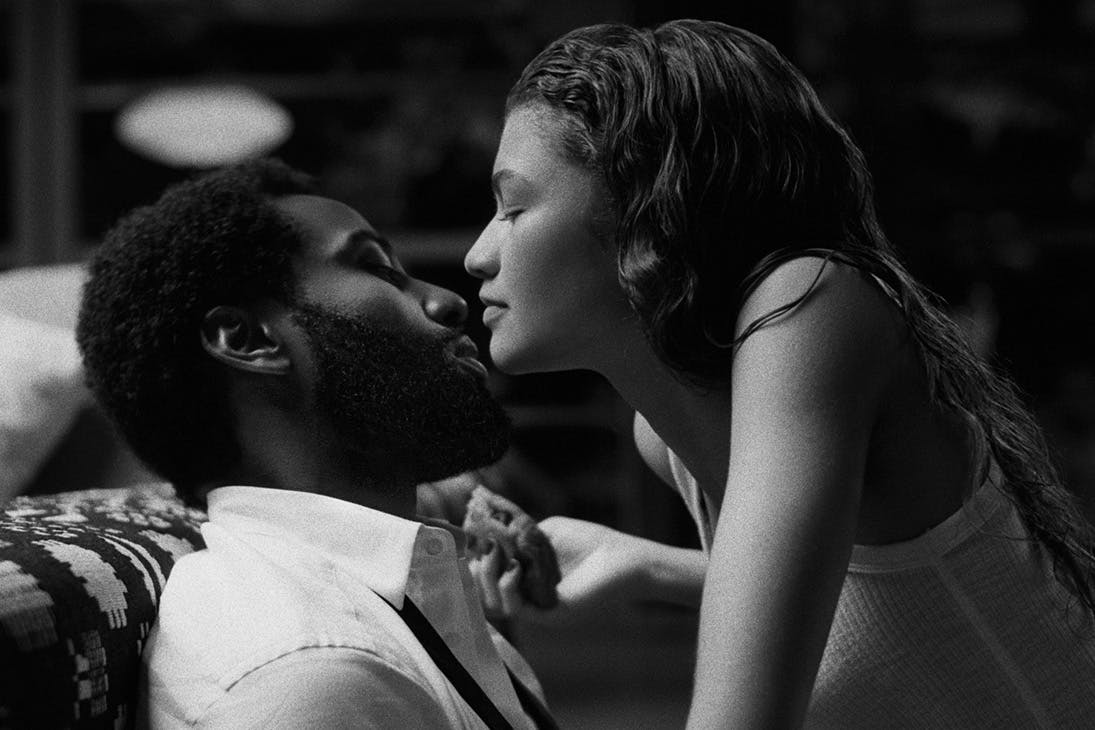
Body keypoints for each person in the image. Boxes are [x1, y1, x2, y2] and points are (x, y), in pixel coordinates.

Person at [464, 19, 1095, 729]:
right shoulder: (662, 440)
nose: (477, 255)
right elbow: (868, 596)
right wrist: (641, 564)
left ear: (647, 211)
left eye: (513, 207)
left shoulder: (812, 304)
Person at [76, 159, 555, 729]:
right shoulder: (314, 674)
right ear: (248, 340)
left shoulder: (408, 601)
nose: (449, 301)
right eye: (377, 268)